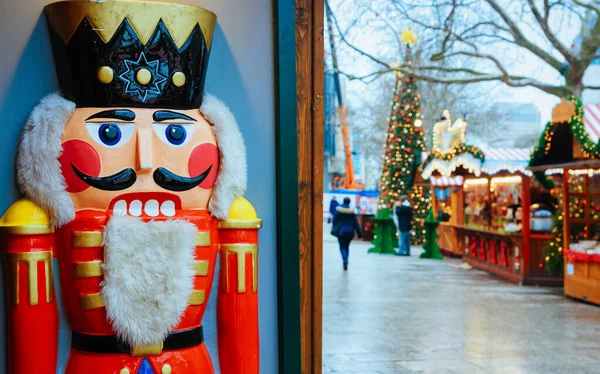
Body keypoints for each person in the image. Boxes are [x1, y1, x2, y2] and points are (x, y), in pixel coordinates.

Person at [332, 197, 362, 270]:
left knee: (342, 247)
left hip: (341, 232)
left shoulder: (339, 211)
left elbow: (334, 220)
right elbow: (356, 224)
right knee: (347, 247)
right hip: (350, 232)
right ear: (349, 202)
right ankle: (346, 259)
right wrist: (359, 234)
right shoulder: (352, 212)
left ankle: (344, 259)